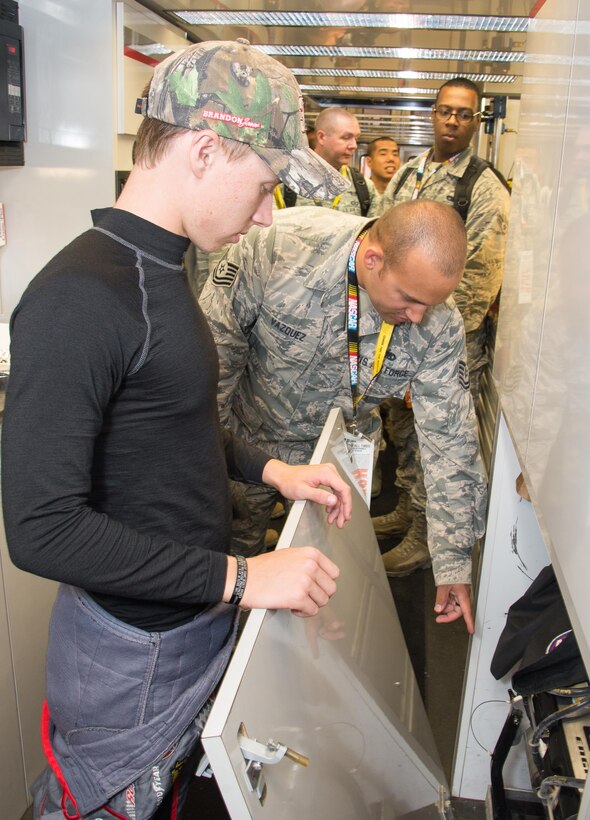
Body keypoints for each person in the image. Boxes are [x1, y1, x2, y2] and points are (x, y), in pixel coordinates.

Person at [1, 40, 353, 820]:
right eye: (263, 187)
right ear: (202, 151)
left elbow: (173, 417)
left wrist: (271, 472)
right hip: (132, 652)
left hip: (182, 618)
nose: (266, 214)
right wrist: (242, 578)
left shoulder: (161, 267)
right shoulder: (80, 297)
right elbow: (41, 530)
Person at [199, 199, 487, 635]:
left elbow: (450, 442)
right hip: (246, 449)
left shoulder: (438, 322)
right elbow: (210, 367)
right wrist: (200, 474)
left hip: (338, 462)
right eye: (409, 299)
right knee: (233, 574)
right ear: (372, 259)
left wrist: (452, 561)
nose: (419, 317)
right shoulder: (278, 247)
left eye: (432, 303)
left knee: (321, 598)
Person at [373, 78, 510, 578]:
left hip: (444, 345)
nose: (453, 121)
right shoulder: (409, 172)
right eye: (445, 111)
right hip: (393, 329)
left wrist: (427, 340)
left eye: (465, 114)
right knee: (401, 427)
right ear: (433, 114)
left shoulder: (481, 185)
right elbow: (380, 238)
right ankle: (409, 510)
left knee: (435, 438)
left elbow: (478, 279)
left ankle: (426, 538)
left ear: (477, 122)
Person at [275, 107, 379, 216]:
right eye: (346, 137)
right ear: (321, 137)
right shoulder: (284, 181)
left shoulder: (364, 187)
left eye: (356, 138)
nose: (354, 145)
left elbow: (374, 231)